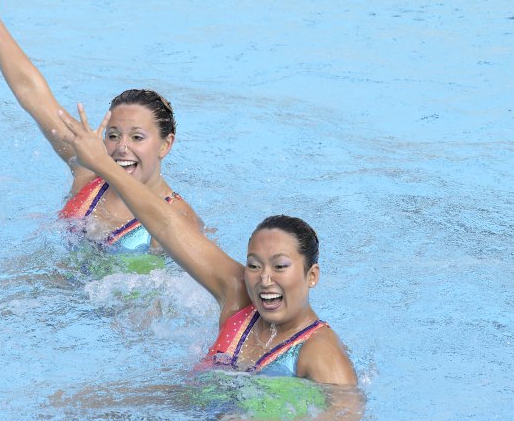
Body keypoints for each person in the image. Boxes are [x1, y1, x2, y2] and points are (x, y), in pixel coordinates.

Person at [54, 105, 360, 395]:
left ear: (312, 275)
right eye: (254, 265)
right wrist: (104, 165)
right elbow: (166, 226)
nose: (265, 279)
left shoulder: (321, 353)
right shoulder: (239, 298)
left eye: (280, 266)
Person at [0, 0, 201, 253]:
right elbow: (33, 94)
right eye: (113, 135)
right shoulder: (88, 173)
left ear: (166, 144)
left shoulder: (177, 218)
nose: (122, 147)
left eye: (137, 137)